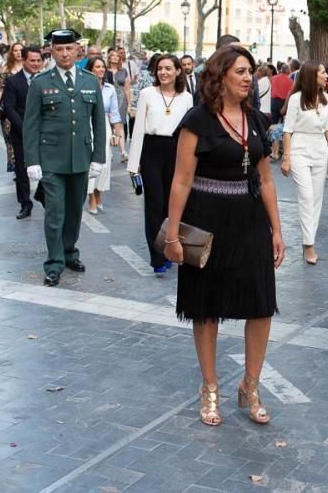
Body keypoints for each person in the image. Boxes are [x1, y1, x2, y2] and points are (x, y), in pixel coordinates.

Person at [164, 45, 284, 425]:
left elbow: (265, 178)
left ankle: (251, 384)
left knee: (261, 305)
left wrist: (277, 230)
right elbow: (181, 180)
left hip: (249, 221)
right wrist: (172, 235)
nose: (249, 77)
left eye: (250, 71)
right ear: (221, 77)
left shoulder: (258, 120)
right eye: (241, 71)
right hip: (206, 221)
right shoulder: (197, 120)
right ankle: (210, 387)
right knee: (206, 307)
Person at [24, 29, 106, 287]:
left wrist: (98, 157)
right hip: (51, 159)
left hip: (80, 157)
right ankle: (54, 262)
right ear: (52, 51)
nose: (65, 53)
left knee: (74, 211)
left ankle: (70, 252)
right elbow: (31, 125)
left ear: (77, 49)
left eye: (69, 48)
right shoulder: (40, 82)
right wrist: (32, 161)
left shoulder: (90, 81)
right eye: (59, 49)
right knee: (55, 213)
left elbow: (98, 123)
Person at [128, 54, 193, 273]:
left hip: (176, 151)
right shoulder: (147, 94)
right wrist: (133, 163)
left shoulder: (186, 98)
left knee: (172, 205)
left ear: (177, 71)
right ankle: (157, 257)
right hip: (151, 150)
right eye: (159, 69)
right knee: (154, 205)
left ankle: (170, 248)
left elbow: (189, 132)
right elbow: (138, 130)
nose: (163, 72)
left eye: (168, 68)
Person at [281, 62, 328, 265]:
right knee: (306, 197)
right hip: (299, 150)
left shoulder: (325, 98)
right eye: (323, 72)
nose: (326, 75)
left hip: (319, 149)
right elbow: (287, 130)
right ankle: (308, 245)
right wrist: (286, 157)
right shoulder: (296, 99)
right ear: (311, 76)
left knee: (316, 199)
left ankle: (310, 239)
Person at [2, 46, 44, 219]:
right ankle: (25, 204)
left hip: (44, 134)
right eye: (32, 60)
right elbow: (9, 108)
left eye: (38, 61)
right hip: (20, 133)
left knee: (48, 168)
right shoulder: (13, 81)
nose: (35, 64)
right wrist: (25, 128)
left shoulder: (46, 80)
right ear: (24, 60)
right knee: (22, 171)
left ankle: (43, 196)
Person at [85, 56, 125, 214]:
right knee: (89, 162)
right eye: (97, 67)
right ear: (90, 69)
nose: (101, 69)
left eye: (103, 67)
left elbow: (114, 113)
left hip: (104, 125)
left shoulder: (110, 88)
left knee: (105, 161)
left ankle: (98, 192)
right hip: (86, 124)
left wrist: (118, 133)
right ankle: (91, 198)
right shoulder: (84, 86)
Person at [0, 42, 24, 168]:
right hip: (9, 109)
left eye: (20, 50)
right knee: (10, 138)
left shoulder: (30, 66)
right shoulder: (6, 68)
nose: (18, 52)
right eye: (15, 50)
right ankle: (14, 165)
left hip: (26, 108)